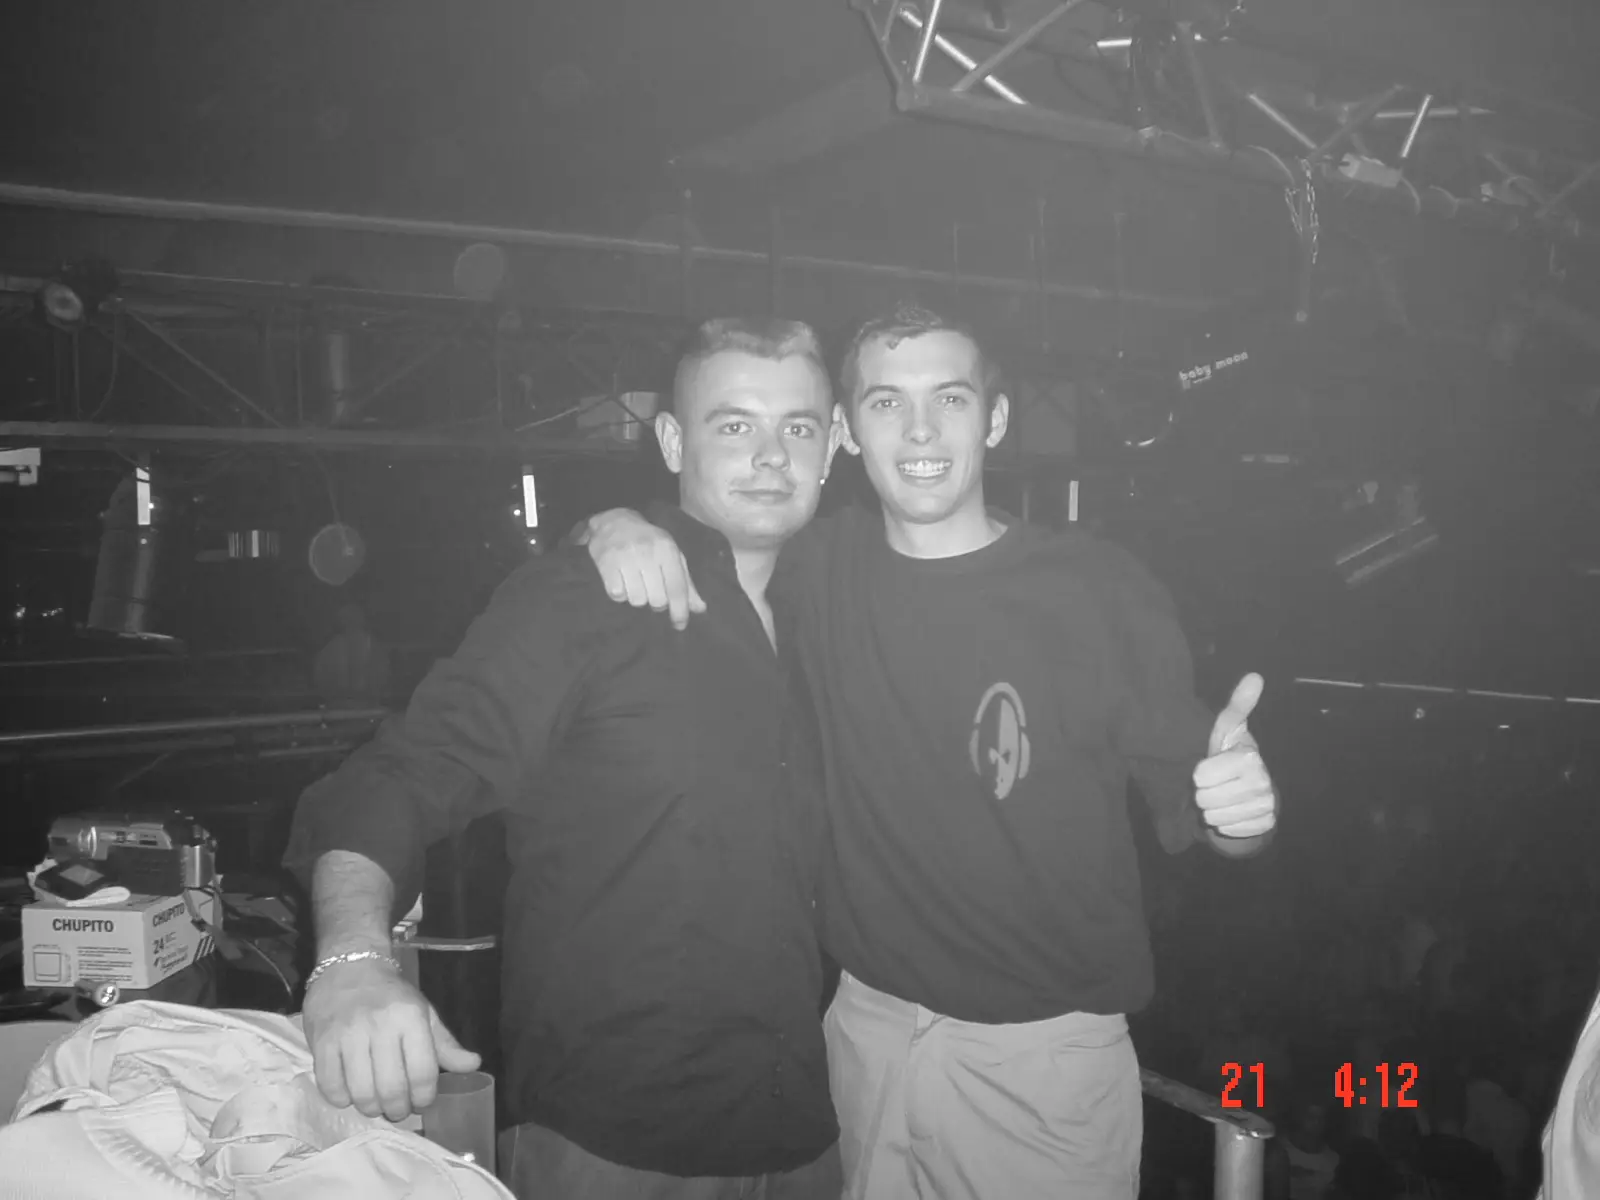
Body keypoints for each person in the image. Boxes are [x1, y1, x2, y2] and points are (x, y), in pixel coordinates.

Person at [579, 303, 1280, 1199]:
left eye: (950, 399)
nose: (919, 430)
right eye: (886, 403)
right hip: (859, 1034)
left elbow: (1215, 822)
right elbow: (693, 535)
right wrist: (608, 526)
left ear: (995, 419)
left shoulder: (1095, 590)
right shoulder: (816, 567)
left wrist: (1243, 814)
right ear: (846, 432)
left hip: (1039, 1062)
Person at [282, 317, 846, 1199]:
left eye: (798, 427)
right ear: (673, 442)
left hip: (799, 1125)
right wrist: (352, 963)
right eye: (735, 424)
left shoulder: (834, 609)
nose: (772, 455)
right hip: (614, 1141)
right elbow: (396, 776)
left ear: (833, 445)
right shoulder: (585, 598)